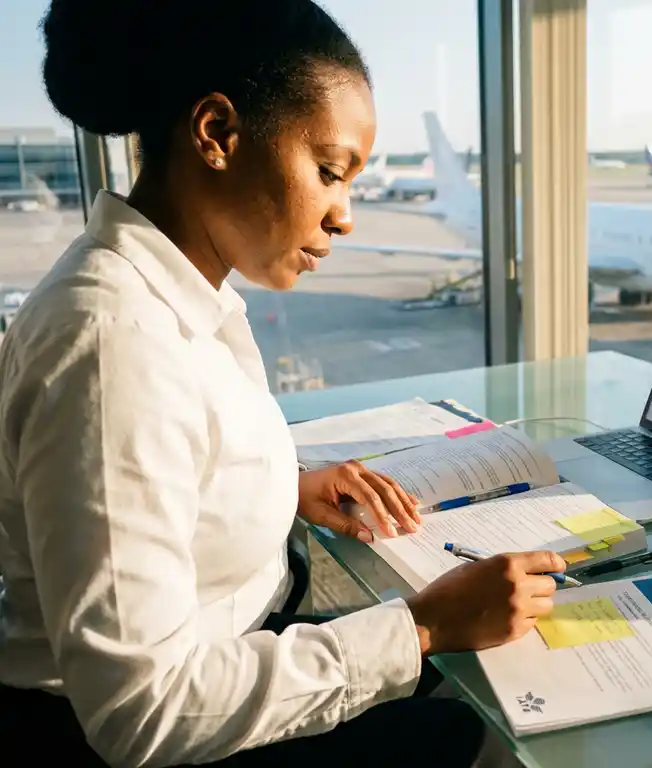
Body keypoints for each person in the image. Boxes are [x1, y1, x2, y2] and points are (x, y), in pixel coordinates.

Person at [0, 1, 565, 766]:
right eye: (330, 172)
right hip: (135, 736)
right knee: (503, 734)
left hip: (239, 645)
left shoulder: (174, 293)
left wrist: (276, 486)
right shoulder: (112, 345)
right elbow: (141, 711)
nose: (346, 217)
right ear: (217, 135)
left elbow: (164, 467)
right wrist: (419, 628)